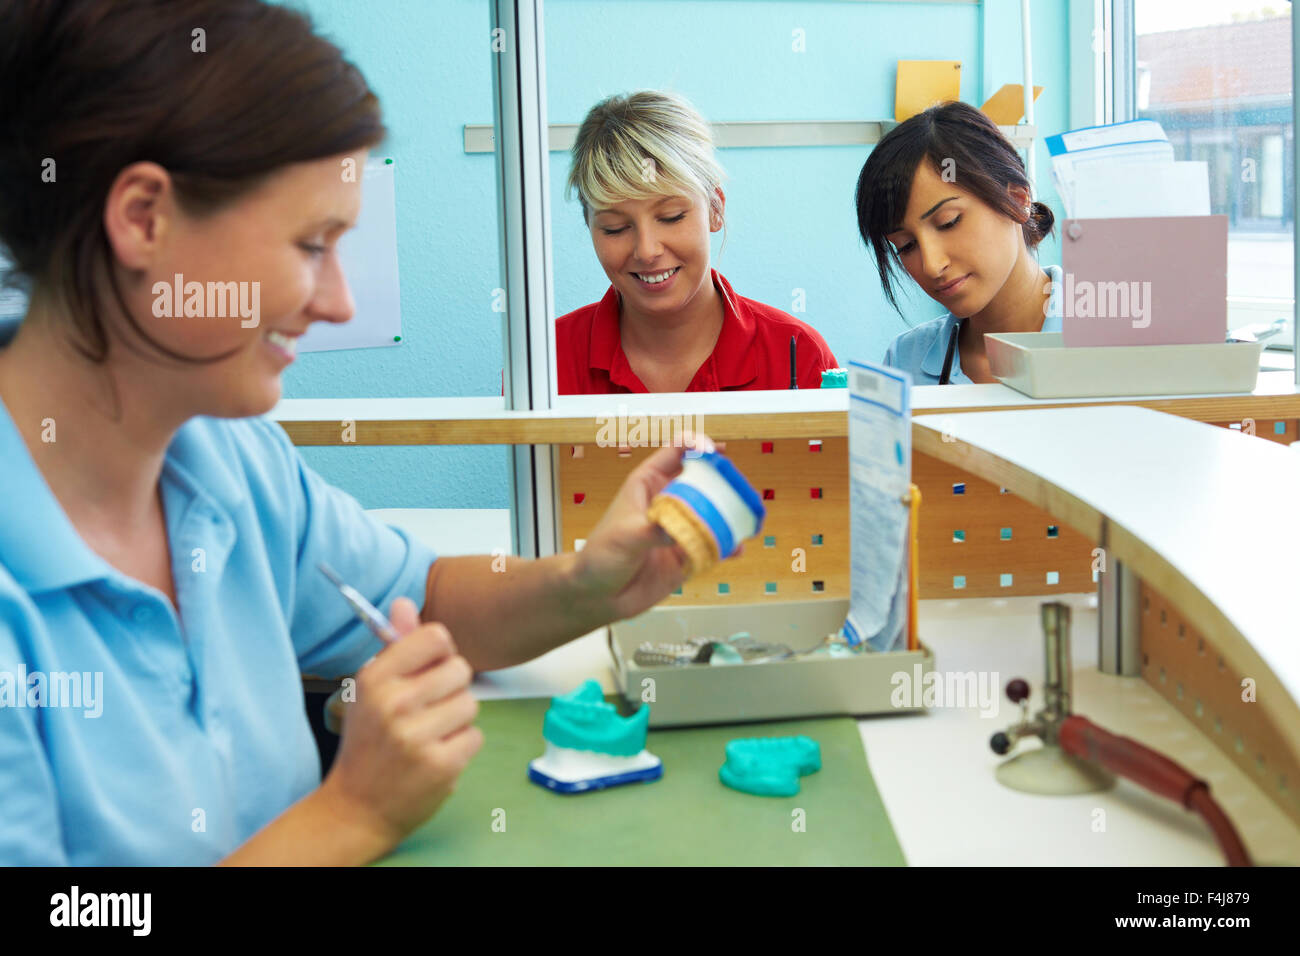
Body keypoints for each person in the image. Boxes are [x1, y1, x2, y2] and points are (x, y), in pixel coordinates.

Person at [0, 0, 693, 866]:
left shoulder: (226, 460)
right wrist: (353, 813)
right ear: (144, 218)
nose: (338, 304)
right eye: (311, 244)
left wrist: (589, 584)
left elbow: (425, 602)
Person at [556, 91, 839, 394]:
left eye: (671, 217)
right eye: (615, 228)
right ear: (590, 225)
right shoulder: (545, 363)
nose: (647, 251)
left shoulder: (801, 354)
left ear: (715, 209)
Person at [854, 101, 1061, 385]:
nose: (932, 266)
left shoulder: (1119, 335)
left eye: (949, 222)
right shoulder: (904, 362)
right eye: (906, 246)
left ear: (1017, 200)